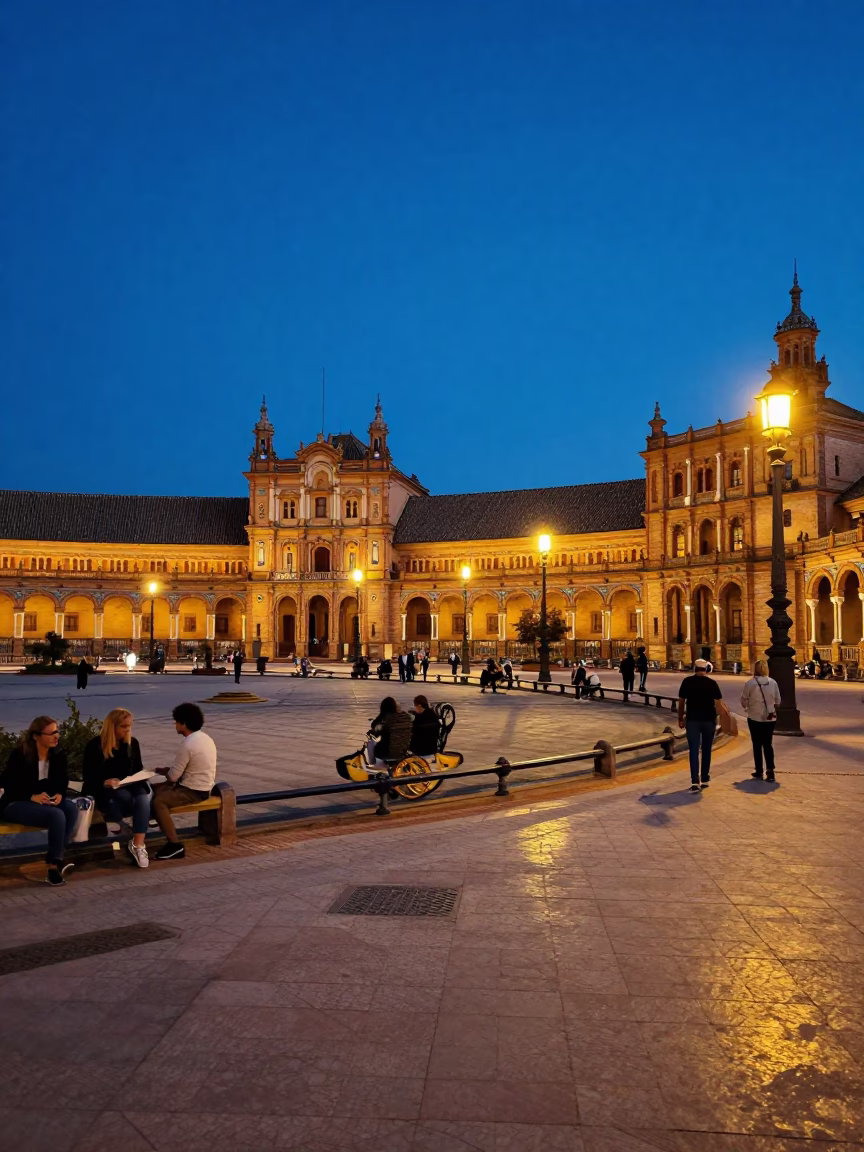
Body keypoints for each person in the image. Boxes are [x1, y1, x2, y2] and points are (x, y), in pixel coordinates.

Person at [0, 716, 77, 885]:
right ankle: (53, 868)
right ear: (36, 736)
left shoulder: (58, 754)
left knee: (71, 808)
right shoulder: (21, 754)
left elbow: (62, 780)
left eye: (57, 732)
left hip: (44, 800)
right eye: (51, 733)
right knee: (56, 815)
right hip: (16, 802)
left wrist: (59, 794)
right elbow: (8, 784)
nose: (56, 736)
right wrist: (30, 796)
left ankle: (57, 857)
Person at [82, 709, 151, 868]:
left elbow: (137, 770)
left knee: (142, 797)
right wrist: (105, 782)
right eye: (123, 726)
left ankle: (138, 845)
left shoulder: (132, 744)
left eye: (129, 726)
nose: (127, 729)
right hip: (108, 790)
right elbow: (88, 777)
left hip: (131, 786)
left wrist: (143, 776)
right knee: (138, 801)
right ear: (112, 727)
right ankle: (134, 843)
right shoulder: (95, 746)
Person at [150, 703, 217, 860]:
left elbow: (173, 777)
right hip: (203, 787)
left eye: (176, 721)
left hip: (194, 791)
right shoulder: (205, 738)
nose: (175, 725)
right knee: (156, 790)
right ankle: (156, 822)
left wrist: (167, 773)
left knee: (159, 801)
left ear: (184, 723)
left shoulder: (187, 744)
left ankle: (174, 845)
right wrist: (168, 771)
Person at [677, 659, 722, 792]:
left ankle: (695, 781)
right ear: (706, 669)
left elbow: (681, 702)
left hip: (692, 720)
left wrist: (680, 718)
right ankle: (705, 778)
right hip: (709, 720)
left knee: (694, 751)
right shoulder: (712, 683)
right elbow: (719, 703)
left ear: (694, 668)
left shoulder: (687, 682)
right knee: (707, 750)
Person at [740, 660, 782, 781]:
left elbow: (743, 700)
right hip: (770, 718)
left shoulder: (750, 683)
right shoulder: (773, 682)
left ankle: (759, 770)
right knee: (768, 744)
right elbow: (778, 701)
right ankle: (770, 770)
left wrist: (748, 706)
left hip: (754, 717)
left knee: (757, 744)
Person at [369, 697, 413, 764]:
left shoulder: (387, 719)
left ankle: (372, 764)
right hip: (402, 753)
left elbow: (375, 728)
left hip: (386, 753)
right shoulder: (406, 717)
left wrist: (381, 715)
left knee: (371, 743)